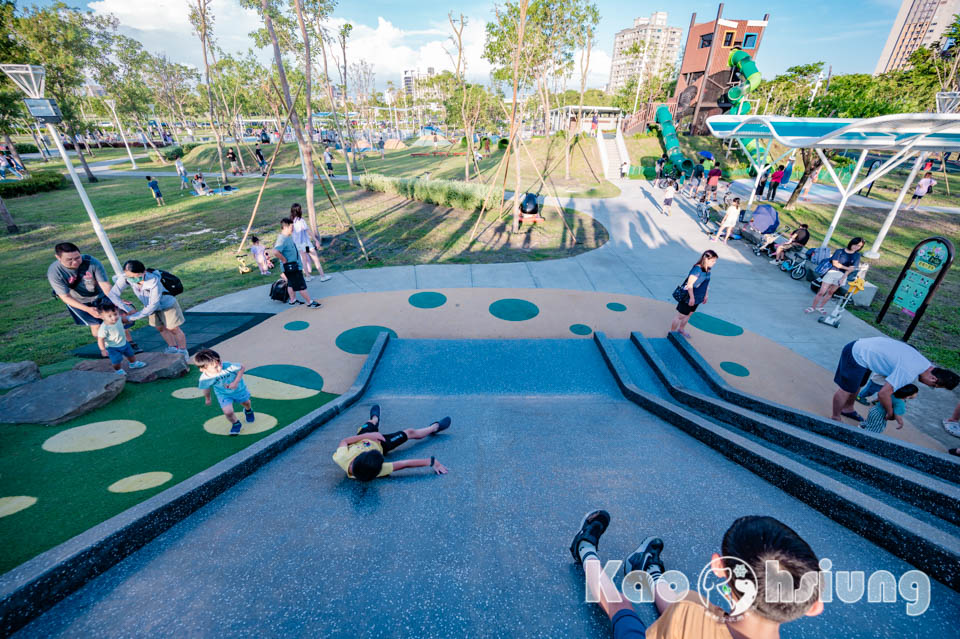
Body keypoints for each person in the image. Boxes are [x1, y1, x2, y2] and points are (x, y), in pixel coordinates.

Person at [569, 512, 822, 639]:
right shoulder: (688, 614)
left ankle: (585, 548)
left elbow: (680, 620)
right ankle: (648, 567)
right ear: (813, 605)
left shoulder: (686, 616)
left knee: (619, 604)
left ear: (719, 567)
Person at [830, 335, 959, 423]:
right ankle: (835, 418)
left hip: (867, 352)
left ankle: (848, 409)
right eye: (934, 386)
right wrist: (890, 412)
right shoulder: (910, 371)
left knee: (857, 385)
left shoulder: (924, 363)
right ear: (933, 379)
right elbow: (883, 394)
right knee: (846, 389)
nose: (931, 386)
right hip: (857, 353)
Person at [47, 242, 139, 352]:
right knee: (95, 324)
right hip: (77, 300)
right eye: (69, 260)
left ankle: (129, 343)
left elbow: (105, 285)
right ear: (58, 257)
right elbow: (65, 297)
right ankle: (108, 348)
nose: (75, 262)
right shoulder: (54, 272)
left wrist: (117, 301)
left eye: (77, 257)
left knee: (116, 318)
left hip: (99, 294)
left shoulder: (91, 262)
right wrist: (88, 310)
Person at [333, 404, 450, 481]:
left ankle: (375, 419)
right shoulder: (376, 470)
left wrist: (369, 435)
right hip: (382, 443)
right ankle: (435, 427)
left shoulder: (342, 457)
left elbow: (345, 441)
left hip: (363, 437)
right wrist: (432, 462)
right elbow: (405, 464)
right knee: (409, 432)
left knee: (370, 423)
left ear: (355, 460)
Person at [107, 259, 188, 357]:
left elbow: (152, 305)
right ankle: (172, 347)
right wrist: (127, 309)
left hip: (166, 305)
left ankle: (183, 351)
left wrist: (129, 318)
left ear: (143, 272)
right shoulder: (126, 278)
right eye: (128, 276)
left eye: (134, 276)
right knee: (160, 328)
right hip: (149, 307)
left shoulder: (153, 280)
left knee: (173, 328)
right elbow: (113, 294)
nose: (131, 279)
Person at [195, 349, 254, 436]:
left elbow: (242, 367)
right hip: (223, 395)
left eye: (220, 363)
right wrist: (207, 398)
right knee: (228, 412)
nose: (220, 367)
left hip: (239, 390)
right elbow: (206, 388)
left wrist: (235, 382)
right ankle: (236, 423)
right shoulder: (205, 379)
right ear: (203, 369)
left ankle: (248, 411)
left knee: (246, 402)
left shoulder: (228, 366)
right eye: (215, 367)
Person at [272, 217, 322, 308]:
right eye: (291, 227)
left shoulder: (287, 237)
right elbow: (275, 252)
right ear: (285, 227)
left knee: (291, 283)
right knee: (301, 285)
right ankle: (309, 302)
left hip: (292, 266)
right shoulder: (282, 239)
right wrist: (283, 260)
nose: (293, 229)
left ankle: (293, 300)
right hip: (291, 267)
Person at [807, 237, 864, 314]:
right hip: (832, 272)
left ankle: (820, 307)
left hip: (842, 275)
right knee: (822, 291)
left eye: (859, 246)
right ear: (851, 243)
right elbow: (835, 264)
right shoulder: (839, 251)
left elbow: (851, 269)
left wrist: (843, 277)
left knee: (830, 292)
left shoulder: (857, 255)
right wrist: (846, 268)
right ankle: (812, 307)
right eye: (856, 244)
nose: (857, 247)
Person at [670, 250, 717, 338]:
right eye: (713, 261)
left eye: (715, 261)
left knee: (689, 314)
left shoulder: (708, 269)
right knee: (680, 315)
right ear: (706, 259)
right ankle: (672, 333)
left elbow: (706, 283)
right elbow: (689, 284)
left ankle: (681, 329)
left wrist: (706, 295)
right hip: (688, 297)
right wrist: (692, 298)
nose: (714, 263)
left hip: (698, 297)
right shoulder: (697, 269)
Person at [96, 302, 148, 376]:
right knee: (116, 361)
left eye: (115, 314)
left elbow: (125, 320)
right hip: (112, 347)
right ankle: (118, 370)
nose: (114, 317)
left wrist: (133, 316)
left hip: (124, 343)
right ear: (102, 317)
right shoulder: (104, 328)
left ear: (118, 312)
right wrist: (103, 350)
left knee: (131, 354)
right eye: (109, 316)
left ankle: (133, 364)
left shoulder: (119, 319)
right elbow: (100, 339)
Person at [289, 203, 331, 283]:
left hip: (298, 245)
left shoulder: (291, 222)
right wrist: (316, 240)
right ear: (299, 211)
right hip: (305, 244)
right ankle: (322, 276)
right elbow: (308, 231)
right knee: (315, 259)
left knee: (304, 260)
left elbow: (290, 233)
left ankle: (308, 277)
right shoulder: (301, 221)